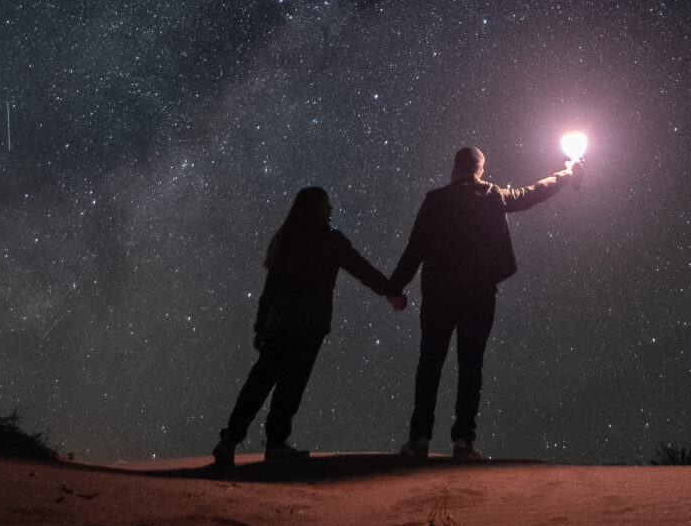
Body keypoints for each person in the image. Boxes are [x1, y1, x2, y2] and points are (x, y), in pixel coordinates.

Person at [388, 144, 579, 461]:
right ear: (481, 169)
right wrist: (567, 173)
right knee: (471, 365)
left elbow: (415, 247)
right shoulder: (494, 195)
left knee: (430, 364)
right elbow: (534, 192)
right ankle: (464, 441)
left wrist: (395, 287)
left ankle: (419, 439)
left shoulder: (436, 200)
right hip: (479, 295)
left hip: (438, 295)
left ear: (455, 168)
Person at [214, 186, 405, 466]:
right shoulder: (332, 241)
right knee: (291, 383)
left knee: (260, 380)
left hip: (279, 323)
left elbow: (270, 290)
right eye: (327, 203)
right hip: (309, 325)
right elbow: (361, 269)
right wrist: (391, 292)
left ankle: (230, 439)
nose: (332, 209)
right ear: (317, 207)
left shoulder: (288, 240)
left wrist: (260, 326)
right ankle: (276, 443)